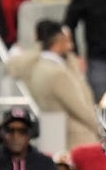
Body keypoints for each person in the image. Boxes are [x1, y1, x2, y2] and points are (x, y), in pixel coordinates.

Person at [7, 19, 100, 150]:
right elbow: (80, 109)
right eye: (67, 41)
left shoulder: (39, 67)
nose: (71, 47)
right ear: (58, 42)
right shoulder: (57, 74)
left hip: (52, 132)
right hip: (76, 137)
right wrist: (102, 129)